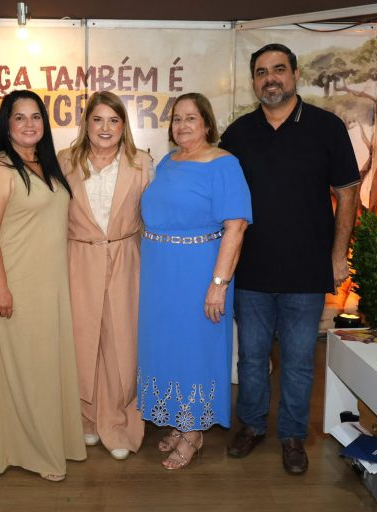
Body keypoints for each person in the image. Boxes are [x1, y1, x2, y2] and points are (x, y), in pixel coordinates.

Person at [219, 43, 360, 474]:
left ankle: (293, 436)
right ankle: (251, 425)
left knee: (299, 362)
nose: (270, 79)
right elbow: (219, 196)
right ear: (254, 81)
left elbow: (347, 193)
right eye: (261, 72)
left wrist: (338, 256)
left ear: (295, 74)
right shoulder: (238, 134)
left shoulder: (327, 127)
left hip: (306, 271)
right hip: (251, 271)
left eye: (278, 69)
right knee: (252, 358)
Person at [137, 92, 252, 470]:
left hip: (199, 273)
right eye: (177, 118)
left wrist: (218, 283)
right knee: (167, 347)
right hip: (159, 276)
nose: (182, 125)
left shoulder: (224, 164)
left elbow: (236, 227)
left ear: (206, 124)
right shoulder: (168, 161)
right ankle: (178, 418)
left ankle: (193, 431)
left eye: (191, 118)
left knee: (194, 349)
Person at [0, 89, 86, 482]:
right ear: (6, 125)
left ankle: (59, 442)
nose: (29, 124)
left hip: (49, 284)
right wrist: (0, 288)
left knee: (49, 368)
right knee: (28, 373)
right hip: (15, 284)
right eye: (19, 117)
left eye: (35, 116)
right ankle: (37, 454)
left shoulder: (46, 164)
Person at [58, 91, 151, 461]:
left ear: (123, 125)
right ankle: (84, 418)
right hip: (78, 259)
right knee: (82, 342)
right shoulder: (64, 161)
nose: (105, 128)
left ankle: (118, 423)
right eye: (97, 119)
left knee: (121, 345)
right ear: (86, 124)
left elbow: (155, 214)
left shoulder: (141, 162)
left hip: (126, 258)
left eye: (114, 120)